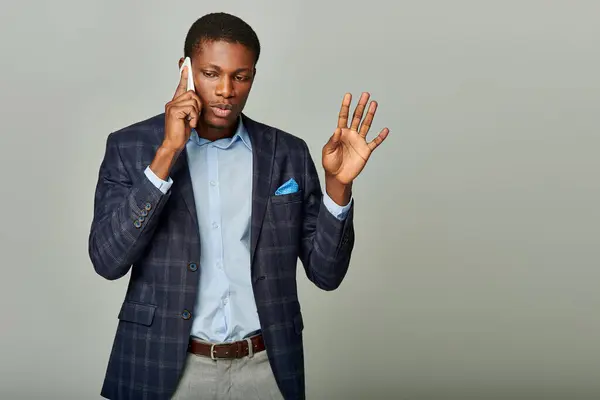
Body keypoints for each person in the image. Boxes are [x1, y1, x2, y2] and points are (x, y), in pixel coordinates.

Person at [88, 12, 389, 400]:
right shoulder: (130, 147)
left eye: (240, 76)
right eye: (211, 74)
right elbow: (107, 261)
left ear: (252, 77)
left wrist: (338, 186)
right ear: (186, 70)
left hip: (266, 369)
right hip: (162, 367)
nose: (226, 90)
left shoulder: (287, 153)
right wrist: (166, 154)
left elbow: (326, 273)